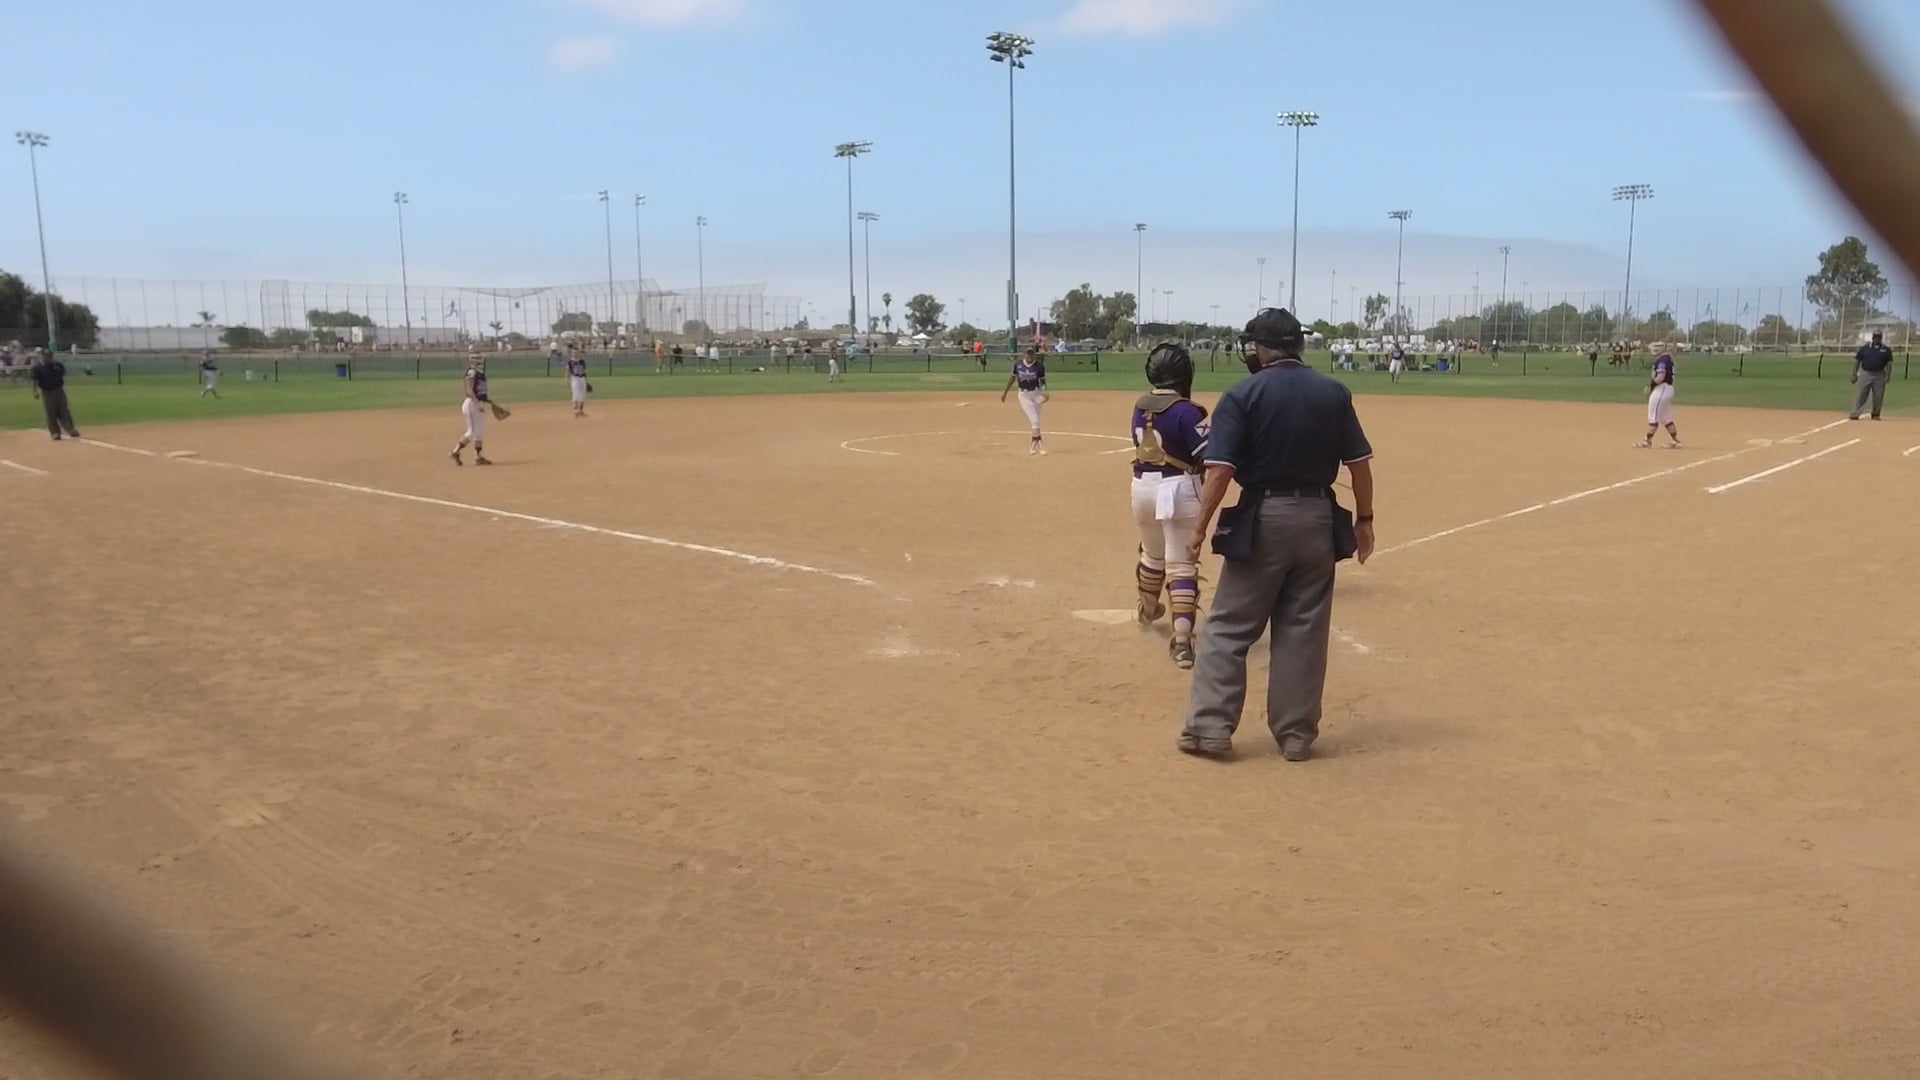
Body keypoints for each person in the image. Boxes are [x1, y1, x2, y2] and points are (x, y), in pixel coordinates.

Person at [1176, 308, 1375, 762]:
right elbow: (1359, 465)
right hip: (1319, 519)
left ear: (1261, 348)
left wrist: (1199, 527)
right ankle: (1296, 735)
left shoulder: (1243, 394)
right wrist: (1364, 520)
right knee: (1303, 631)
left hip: (1265, 517)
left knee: (1229, 627)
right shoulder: (1333, 392)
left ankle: (1210, 727)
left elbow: (1220, 471)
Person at [1129, 343, 1211, 669]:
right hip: (1178, 489)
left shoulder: (1140, 406)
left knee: (1152, 555)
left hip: (1142, 488)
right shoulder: (1188, 411)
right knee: (1181, 565)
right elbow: (1210, 454)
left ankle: (1149, 608)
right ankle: (1182, 642)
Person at [1000, 346, 1049, 455]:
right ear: (1024, 354)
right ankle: (1038, 444)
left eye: (1032, 354)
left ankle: (1036, 444)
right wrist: (1005, 393)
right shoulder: (1018, 365)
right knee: (1034, 420)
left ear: (1034, 355)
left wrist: (1045, 392)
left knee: (1036, 420)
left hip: (1036, 394)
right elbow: (1012, 378)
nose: (1030, 356)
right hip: (1024, 395)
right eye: (1028, 354)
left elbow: (1042, 382)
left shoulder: (1039, 366)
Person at [450, 350, 496, 466]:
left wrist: (488, 401)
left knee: (479, 432)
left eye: (479, 357)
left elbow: (481, 391)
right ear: (471, 360)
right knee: (472, 431)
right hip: (472, 404)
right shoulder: (472, 372)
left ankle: (478, 457)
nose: (478, 360)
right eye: (475, 358)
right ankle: (455, 452)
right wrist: (477, 403)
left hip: (478, 403)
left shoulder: (480, 373)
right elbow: (469, 390)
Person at [29, 347, 82, 441]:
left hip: (59, 390)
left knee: (64, 410)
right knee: (51, 412)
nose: (48, 358)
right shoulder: (37, 368)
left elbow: (61, 375)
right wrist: (35, 391)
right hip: (47, 392)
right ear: (42, 356)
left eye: (50, 356)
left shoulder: (58, 366)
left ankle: (70, 429)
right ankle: (55, 432)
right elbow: (34, 380)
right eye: (46, 356)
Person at [1850, 331, 1894, 421]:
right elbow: (1857, 361)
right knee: (1861, 394)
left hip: (1879, 374)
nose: (1877, 339)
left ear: (1881, 338)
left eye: (1879, 337)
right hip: (1866, 373)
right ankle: (1855, 413)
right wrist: (1854, 374)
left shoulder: (1886, 350)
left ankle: (1875, 414)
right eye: (1875, 337)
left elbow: (1889, 364)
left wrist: (1888, 376)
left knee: (1878, 396)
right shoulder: (1865, 348)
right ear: (1872, 338)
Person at [1639, 352, 1680, 448]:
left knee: (1653, 416)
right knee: (1665, 417)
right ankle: (1675, 441)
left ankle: (1647, 441)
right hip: (1667, 389)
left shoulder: (1662, 360)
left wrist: (1650, 386)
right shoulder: (1667, 359)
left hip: (1662, 389)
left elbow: (1660, 377)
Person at [565, 346, 590, 418]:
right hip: (575, 379)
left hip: (582, 379)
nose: (575, 353)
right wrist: (567, 381)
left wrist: (587, 381)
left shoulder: (582, 361)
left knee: (582, 395)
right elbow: (567, 372)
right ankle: (575, 411)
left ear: (578, 353)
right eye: (574, 352)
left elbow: (585, 371)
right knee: (575, 395)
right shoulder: (570, 362)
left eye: (576, 352)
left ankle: (581, 411)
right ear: (571, 353)